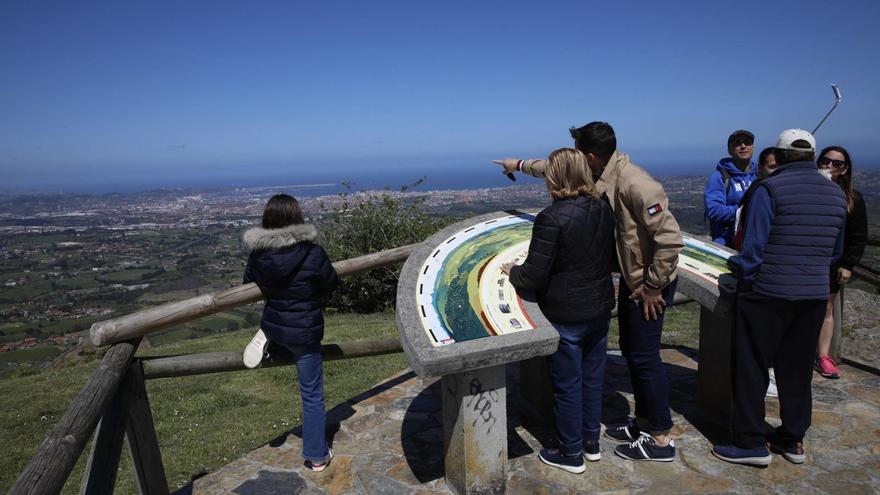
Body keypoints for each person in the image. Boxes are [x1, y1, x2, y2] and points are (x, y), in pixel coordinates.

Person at [495, 122, 684, 462]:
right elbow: (554, 167)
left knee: (644, 357)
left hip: (648, 284)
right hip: (631, 281)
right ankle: (642, 423)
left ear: (591, 157)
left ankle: (659, 438)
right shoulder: (598, 176)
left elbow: (670, 240)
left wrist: (654, 285)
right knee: (632, 351)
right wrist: (518, 165)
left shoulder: (636, 183)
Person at [713, 129, 847, 467]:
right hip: (813, 295)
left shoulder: (770, 189)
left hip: (767, 293)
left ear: (782, 155)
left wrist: (736, 268)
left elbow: (754, 247)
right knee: (798, 371)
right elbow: (836, 252)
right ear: (813, 157)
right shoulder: (834, 194)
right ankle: (793, 439)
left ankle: (750, 443)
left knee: (752, 367)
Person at [500, 148, 615, 474]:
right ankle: (591, 443)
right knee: (593, 379)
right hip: (600, 307)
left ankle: (570, 452)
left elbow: (534, 274)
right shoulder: (603, 208)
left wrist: (512, 271)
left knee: (567, 384)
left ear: (557, 176)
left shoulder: (552, 217)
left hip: (566, 313)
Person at [241, 193, 340, 472]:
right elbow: (331, 282)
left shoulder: (259, 255)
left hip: (278, 322)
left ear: (267, 220)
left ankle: (267, 335)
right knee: (311, 394)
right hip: (305, 331)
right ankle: (317, 456)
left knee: (281, 333)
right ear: (297, 218)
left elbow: (247, 282)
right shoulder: (312, 252)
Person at [814, 146, 868, 379]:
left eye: (837, 164)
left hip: (832, 262)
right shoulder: (809, 191)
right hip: (807, 260)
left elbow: (858, 235)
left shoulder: (852, 198)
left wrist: (848, 264)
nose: (830, 166)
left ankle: (823, 356)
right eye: (826, 160)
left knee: (826, 310)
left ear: (845, 169)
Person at [734, 147, 781, 398]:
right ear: (760, 168)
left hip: (767, 275)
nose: (775, 172)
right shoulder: (760, 192)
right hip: (762, 273)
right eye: (771, 167)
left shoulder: (767, 192)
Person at [704, 130, 759, 246]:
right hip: (726, 242)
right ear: (730, 150)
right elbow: (714, 210)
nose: (743, 146)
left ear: (753, 147)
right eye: (737, 143)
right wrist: (743, 212)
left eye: (747, 142)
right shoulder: (719, 178)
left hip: (754, 241)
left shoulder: (759, 176)